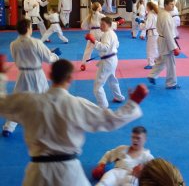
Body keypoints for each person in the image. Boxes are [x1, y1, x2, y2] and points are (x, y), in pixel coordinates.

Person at [0, 58, 149, 186]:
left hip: (37, 173)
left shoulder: (29, 101)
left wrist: (1, 76)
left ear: (50, 75)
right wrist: (133, 103)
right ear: (71, 78)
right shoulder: (77, 104)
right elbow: (111, 120)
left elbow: (2, 103)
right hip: (69, 172)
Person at [2, 19, 59, 137]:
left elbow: (16, 57)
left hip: (22, 74)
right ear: (28, 28)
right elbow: (48, 59)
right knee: (44, 99)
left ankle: (8, 127)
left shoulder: (13, 44)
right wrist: (55, 56)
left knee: (18, 101)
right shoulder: (36, 42)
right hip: (36, 74)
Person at [85, 17, 125, 108]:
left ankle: (103, 105)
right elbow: (117, 45)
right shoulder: (112, 33)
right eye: (100, 24)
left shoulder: (107, 34)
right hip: (113, 59)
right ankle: (119, 97)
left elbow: (105, 47)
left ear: (109, 25)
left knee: (97, 86)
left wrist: (93, 41)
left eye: (103, 24)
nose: (101, 26)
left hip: (107, 61)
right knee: (112, 79)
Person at [148, 0, 181, 89]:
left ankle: (152, 75)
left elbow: (170, 31)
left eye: (174, 4)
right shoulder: (165, 15)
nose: (173, 6)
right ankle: (171, 83)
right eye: (171, 4)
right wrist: (174, 47)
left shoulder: (163, 12)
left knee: (162, 60)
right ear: (166, 5)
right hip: (167, 41)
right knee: (171, 63)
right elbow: (168, 32)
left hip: (162, 40)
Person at [80, 2, 105, 71]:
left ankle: (83, 64)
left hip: (92, 33)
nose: (101, 6)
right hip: (100, 33)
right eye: (100, 5)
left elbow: (83, 26)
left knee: (88, 49)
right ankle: (105, 62)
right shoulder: (102, 16)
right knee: (103, 48)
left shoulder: (89, 15)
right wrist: (117, 23)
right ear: (98, 8)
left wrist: (90, 28)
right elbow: (108, 24)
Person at [139, 2, 159, 70]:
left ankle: (151, 64)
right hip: (156, 33)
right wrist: (143, 22)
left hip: (152, 34)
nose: (145, 7)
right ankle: (156, 60)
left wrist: (140, 24)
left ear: (148, 7)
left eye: (146, 6)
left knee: (150, 49)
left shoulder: (150, 14)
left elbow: (147, 26)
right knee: (155, 48)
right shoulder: (155, 13)